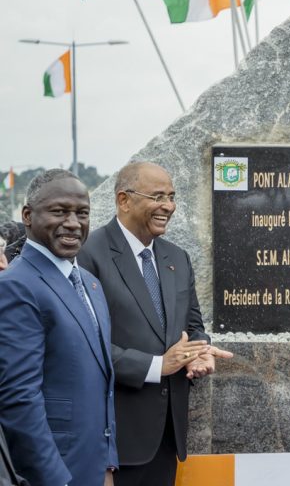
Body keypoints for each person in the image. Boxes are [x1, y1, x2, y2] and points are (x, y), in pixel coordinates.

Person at [77, 162, 232, 486]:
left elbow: (192, 323)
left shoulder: (177, 257)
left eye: (172, 197)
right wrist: (156, 366)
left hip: (166, 438)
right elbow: (83, 344)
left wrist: (198, 353)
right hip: (114, 439)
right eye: (158, 196)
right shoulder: (88, 254)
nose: (169, 206)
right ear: (124, 200)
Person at [0, 169, 118, 485]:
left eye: (82, 213)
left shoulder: (91, 284)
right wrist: (55, 480)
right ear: (27, 215)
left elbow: (99, 386)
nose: (73, 223)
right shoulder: (15, 286)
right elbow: (19, 398)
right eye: (59, 211)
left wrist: (108, 465)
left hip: (94, 469)